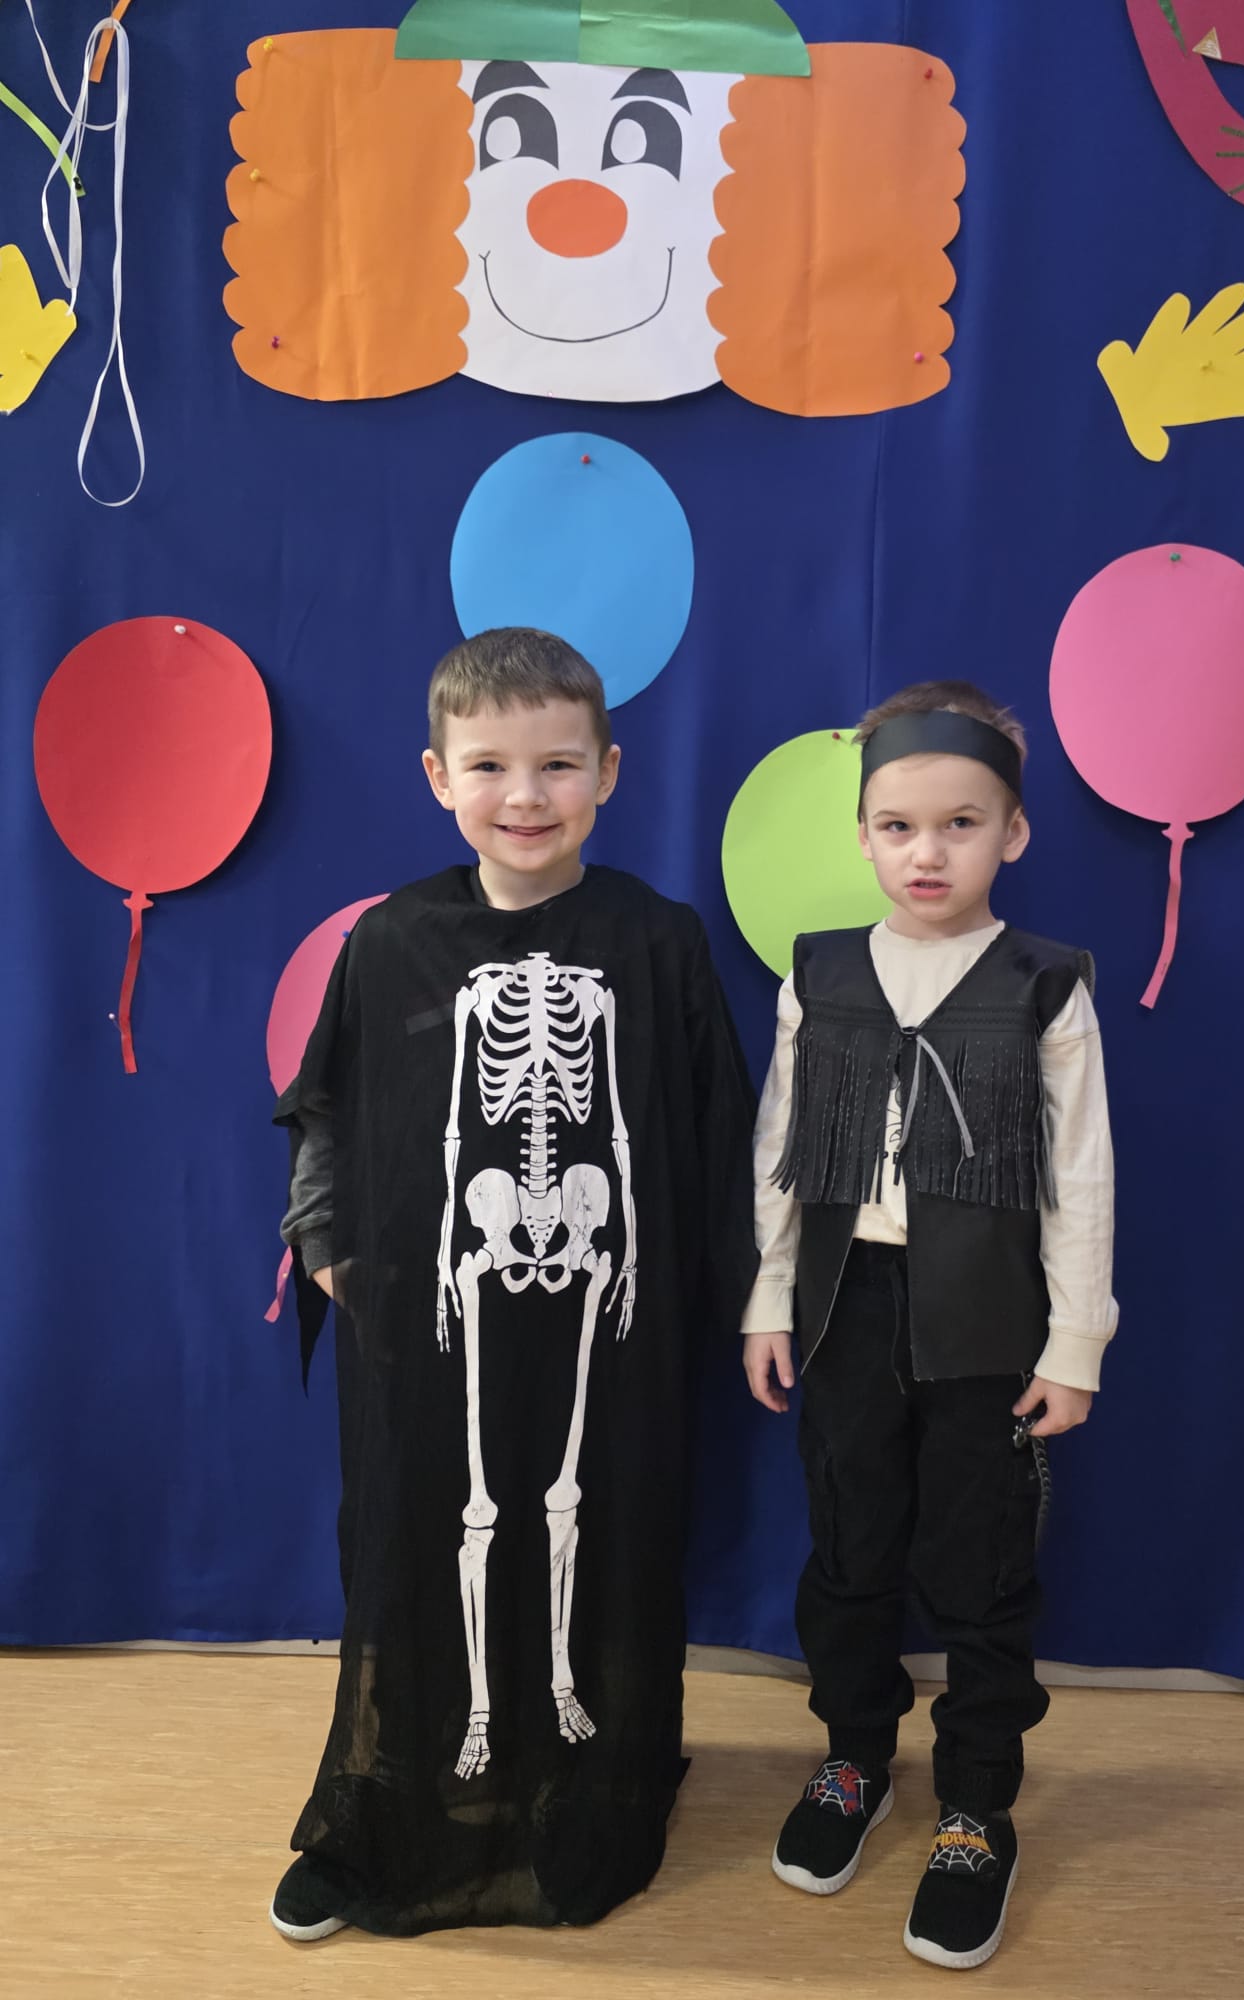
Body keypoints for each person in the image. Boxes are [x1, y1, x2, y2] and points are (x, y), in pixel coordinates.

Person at [270, 627, 757, 1941]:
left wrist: (749, 1297)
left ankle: (591, 1787)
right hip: (440, 1312)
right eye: (489, 765)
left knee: (605, 1516)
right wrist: (324, 1241)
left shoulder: (657, 941)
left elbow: (718, 1130)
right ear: (438, 776)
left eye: (557, 764)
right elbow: (327, 1105)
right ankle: (388, 1801)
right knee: (420, 1531)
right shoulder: (393, 940)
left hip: (608, 1305)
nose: (525, 795)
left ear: (610, 771)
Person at [742, 680, 1117, 1972]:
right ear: (862, 835)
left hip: (987, 1324)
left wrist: (1076, 1343)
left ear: (1013, 831)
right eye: (898, 826)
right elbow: (782, 1150)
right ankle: (853, 1757)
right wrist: (767, 1300)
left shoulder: (1043, 985)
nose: (927, 853)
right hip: (847, 1309)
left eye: (962, 824)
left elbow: (1082, 1176)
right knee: (850, 1547)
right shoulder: (822, 973)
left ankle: (975, 1810)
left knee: (981, 1564)